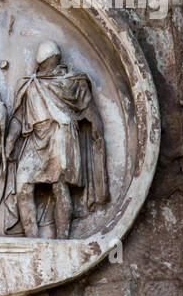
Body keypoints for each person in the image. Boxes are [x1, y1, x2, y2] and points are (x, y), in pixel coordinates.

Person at [7, 40, 108, 238]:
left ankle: (62, 238)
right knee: (23, 185)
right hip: (36, 138)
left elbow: (89, 109)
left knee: (60, 186)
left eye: (48, 59)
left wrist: (97, 127)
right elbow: (19, 117)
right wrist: (10, 140)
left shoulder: (72, 81)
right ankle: (32, 239)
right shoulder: (31, 84)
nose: (46, 62)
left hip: (61, 135)